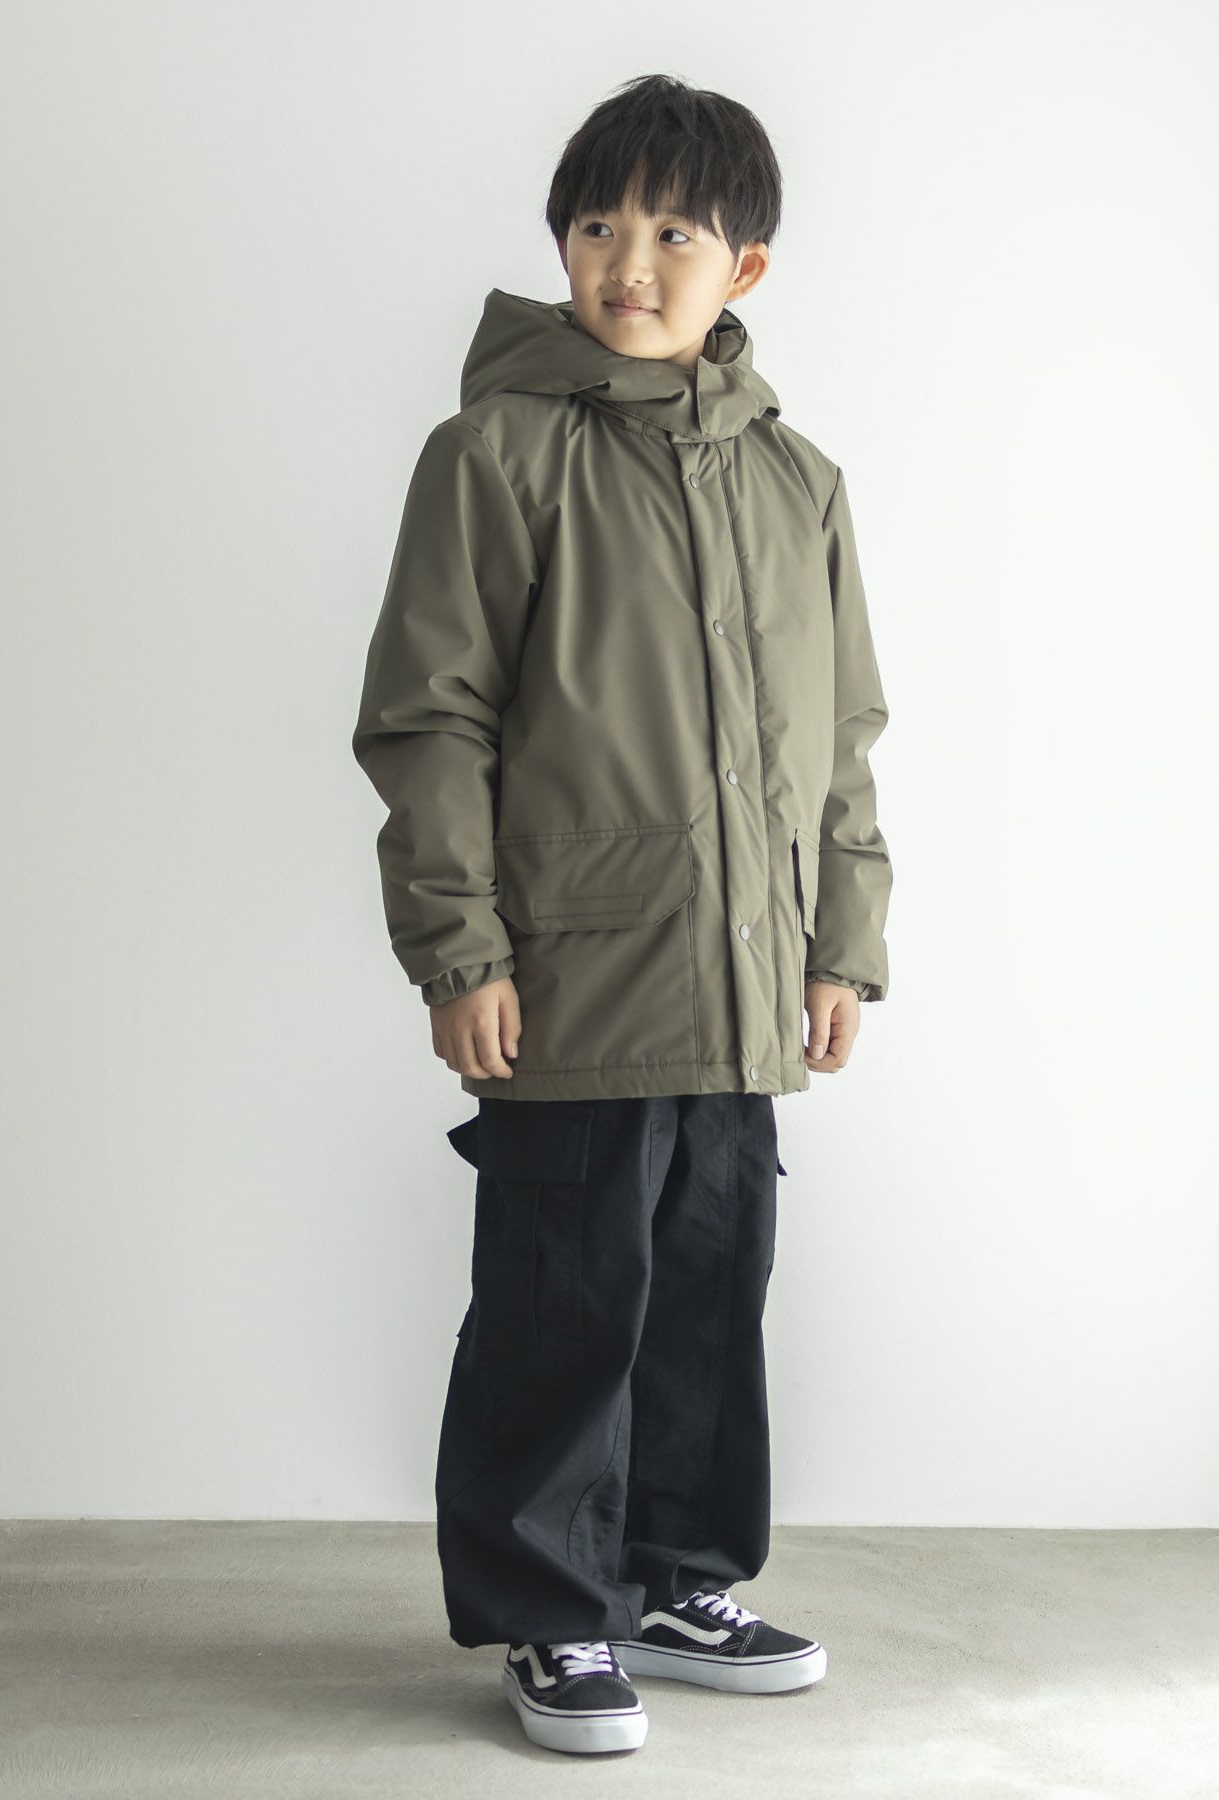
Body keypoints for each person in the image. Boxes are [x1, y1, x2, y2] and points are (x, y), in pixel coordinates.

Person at [352, 71, 893, 1757]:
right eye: (598, 226)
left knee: (708, 1296)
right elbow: (430, 719)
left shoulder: (799, 484)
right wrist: (459, 950)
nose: (630, 262)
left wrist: (843, 942)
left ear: (746, 266)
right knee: (564, 1304)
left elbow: (840, 738)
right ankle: (550, 1606)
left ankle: (670, 1579)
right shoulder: (498, 456)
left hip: (742, 981)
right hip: (573, 980)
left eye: (673, 231)